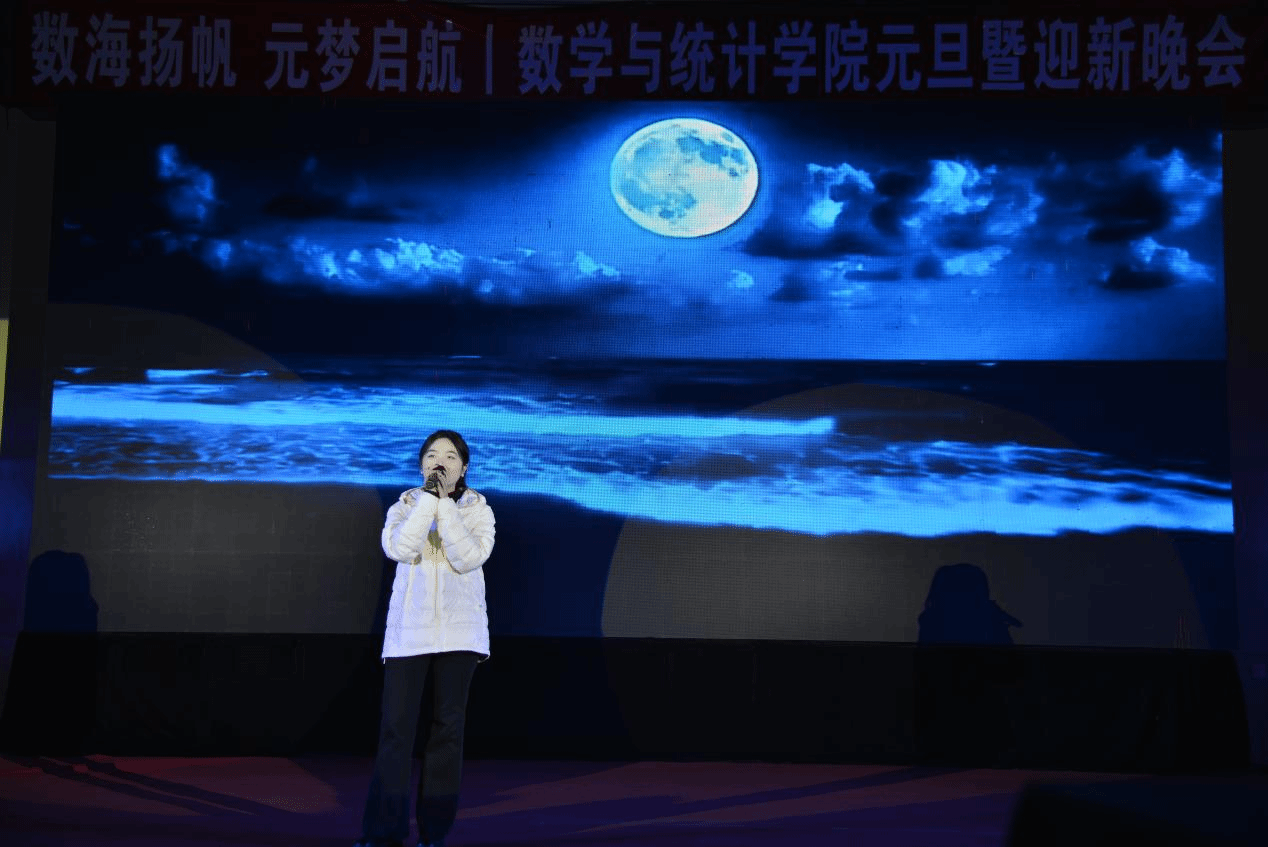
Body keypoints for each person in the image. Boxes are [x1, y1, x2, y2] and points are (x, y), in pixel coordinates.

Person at [355, 430, 496, 847]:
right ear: (421, 466)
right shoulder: (404, 507)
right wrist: (428, 502)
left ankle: (434, 834)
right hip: (409, 635)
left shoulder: (479, 510)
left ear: (463, 468)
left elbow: (468, 557)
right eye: (432, 455)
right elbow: (401, 548)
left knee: (447, 733)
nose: (440, 461)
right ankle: (383, 833)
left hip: (460, 634)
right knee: (396, 731)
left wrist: (446, 504)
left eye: (451, 456)